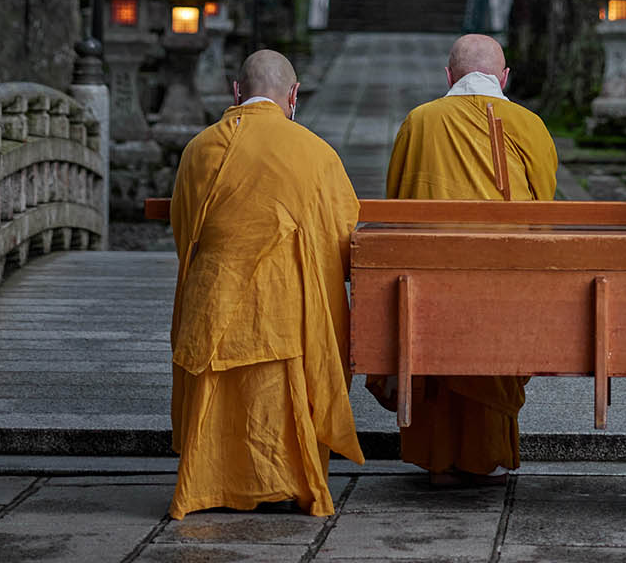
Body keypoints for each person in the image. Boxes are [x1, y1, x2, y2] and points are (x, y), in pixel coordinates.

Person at [169, 48, 364, 519]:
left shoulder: (199, 148)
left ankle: (212, 482)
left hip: (214, 298)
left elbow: (184, 231)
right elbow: (342, 238)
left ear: (236, 92)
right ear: (293, 95)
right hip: (285, 310)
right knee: (283, 393)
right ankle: (286, 484)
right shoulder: (315, 152)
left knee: (219, 394)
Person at [381, 32, 558, 485]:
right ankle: (485, 456)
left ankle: (440, 460)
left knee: (433, 323)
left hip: (431, 286)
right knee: (494, 324)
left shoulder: (420, 121)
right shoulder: (529, 124)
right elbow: (545, 210)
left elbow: (397, 202)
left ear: (449, 76)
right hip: (503, 282)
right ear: (503, 77)